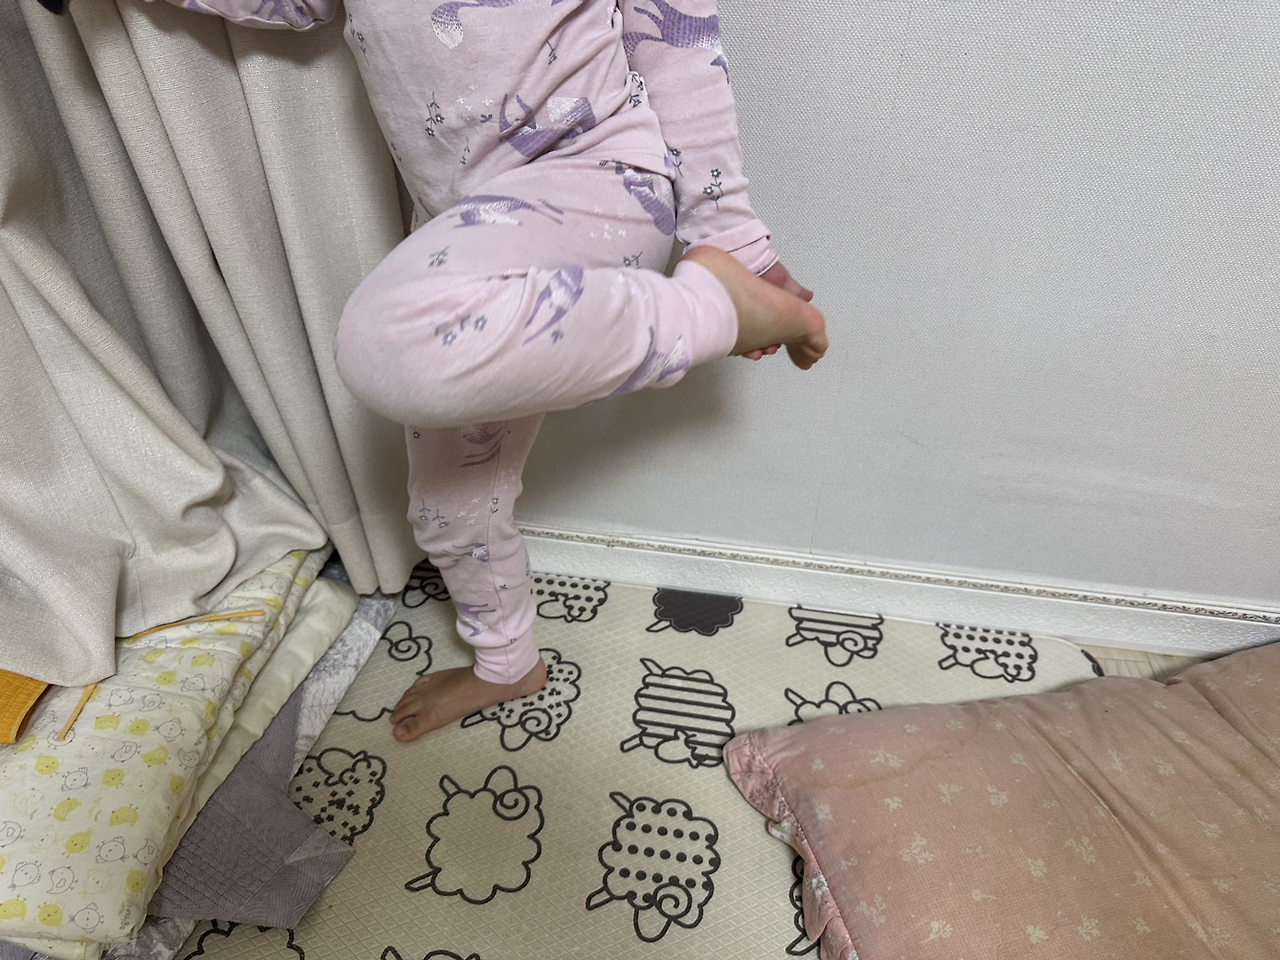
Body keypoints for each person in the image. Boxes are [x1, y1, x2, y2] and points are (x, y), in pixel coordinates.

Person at [156, 0, 827, 740]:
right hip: (468, 221)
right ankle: (507, 664)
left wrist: (730, 234)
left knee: (389, 341)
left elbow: (672, 33)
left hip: (594, 174)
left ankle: (711, 311)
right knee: (449, 502)